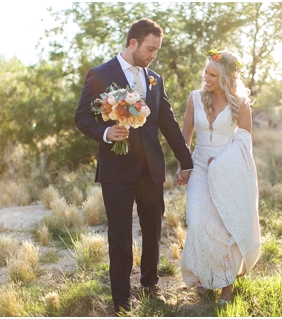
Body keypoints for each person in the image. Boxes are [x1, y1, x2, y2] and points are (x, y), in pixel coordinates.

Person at [74, 18, 193, 314]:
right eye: (150, 49)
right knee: (120, 237)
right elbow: (82, 117)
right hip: (117, 172)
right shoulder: (101, 74)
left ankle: (150, 286)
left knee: (153, 231)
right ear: (133, 43)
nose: (154, 55)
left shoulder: (155, 78)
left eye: (157, 50)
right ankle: (121, 299)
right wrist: (105, 133)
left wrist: (186, 159)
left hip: (151, 169)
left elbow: (167, 120)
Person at [178, 50, 261, 305]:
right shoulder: (194, 98)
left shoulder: (240, 103)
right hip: (200, 166)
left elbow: (245, 140)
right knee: (198, 220)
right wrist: (184, 165)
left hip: (227, 168)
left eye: (213, 74)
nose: (207, 78)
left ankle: (226, 284)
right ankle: (205, 274)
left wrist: (223, 161)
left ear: (226, 77)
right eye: (206, 72)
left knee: (225, 225)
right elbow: (186, 134)